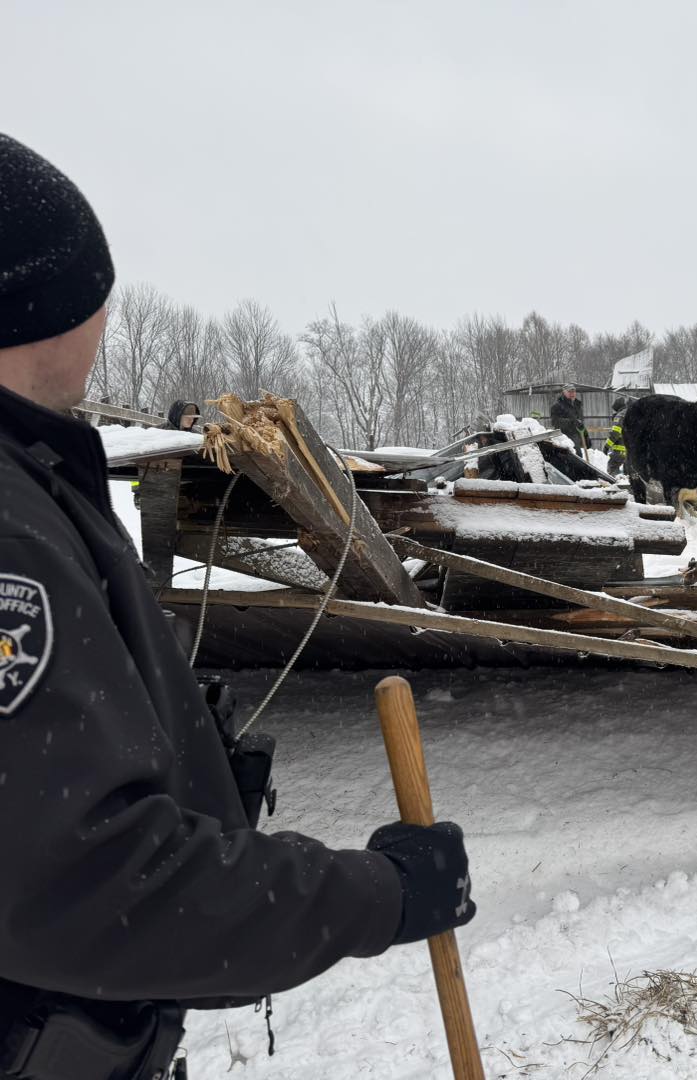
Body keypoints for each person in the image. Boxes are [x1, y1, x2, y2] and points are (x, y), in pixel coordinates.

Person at [0, 133, 475, 1079]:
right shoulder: (8, 531)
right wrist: (381, 893)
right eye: (95, 294)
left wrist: (179, 746)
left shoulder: (33, 475)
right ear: (37, 311)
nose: (105, 320)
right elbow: (91, 881)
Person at [549, 383, 589, 449]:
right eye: (569, 392)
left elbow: (580, 423)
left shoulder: (577, 405)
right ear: (564, 392)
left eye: (573, 391)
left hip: (577, 437)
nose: (572, 393)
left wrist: (586, 436)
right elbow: (555, 422)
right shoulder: (557, 406)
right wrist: (572, 422)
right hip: (564, 438)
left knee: (579, 456)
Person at [603, 397, 628, 475]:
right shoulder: (632, 413)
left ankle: (616, 486)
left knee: (612, 468)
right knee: (629, 472)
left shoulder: (620, 416)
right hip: (631, 450)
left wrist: (607, 446)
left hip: (620, 449)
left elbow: (615, 433)